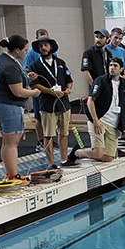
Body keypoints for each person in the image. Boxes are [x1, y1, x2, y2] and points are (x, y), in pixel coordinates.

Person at [0, 35, 42, 182]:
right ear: (17, 50)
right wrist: (35, 92)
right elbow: (18, 92)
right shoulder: (10, 66)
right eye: (25, 50)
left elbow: (12, 77)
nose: (27, 52)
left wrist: (24, 76)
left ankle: (10, 173)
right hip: (9, 106)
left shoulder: (2, 58)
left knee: (7, 142)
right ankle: (13, 175)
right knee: (12, 143)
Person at [71, 56, 125, 164]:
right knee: (98, 153)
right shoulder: (101, 81)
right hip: (100, 119)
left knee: (108, 157)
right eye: (110, 65)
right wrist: (95, 121)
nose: (112, 68)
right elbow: (90, 101)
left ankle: (85, 154)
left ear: (121, 69)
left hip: (114, 123)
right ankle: (77, 152)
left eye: (115, 66)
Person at [29, 36, 74, 169]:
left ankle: (64, 159)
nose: (43, 48)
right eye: (40, 46)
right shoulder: (35, 65)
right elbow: (34, 85)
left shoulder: (60, 62)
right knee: (48, 134)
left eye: (45, 45)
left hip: (63, 103)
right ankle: (51, 163)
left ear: (51, 47)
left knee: (64, 133)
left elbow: (69, 80)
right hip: (47, 104)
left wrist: (68, 89)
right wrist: (50, 92)